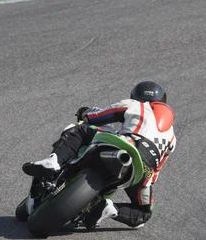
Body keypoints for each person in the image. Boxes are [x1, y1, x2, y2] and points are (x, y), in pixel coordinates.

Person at [22, 81, 176, 230]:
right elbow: (156, 172)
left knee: (81, 129)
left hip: (125, 144)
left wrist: (84, 112)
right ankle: (110, 209)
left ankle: (54, 161)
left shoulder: (136, 105)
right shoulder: (172, 138)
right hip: (143, 170)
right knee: (144, 213)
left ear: (135, 96)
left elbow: (98, 116)